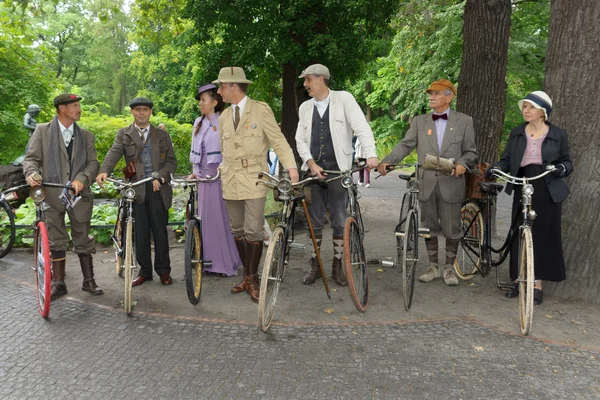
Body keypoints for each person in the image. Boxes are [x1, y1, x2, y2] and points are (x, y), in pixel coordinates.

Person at [377, 79, 477, 286]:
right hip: (427, 183)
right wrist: (388, 161)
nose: (431, 97)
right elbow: (406, 145)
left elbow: (470, 152)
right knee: (428, 226)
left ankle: (449, 268)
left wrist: (462, 163)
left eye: (436, 93)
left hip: (452, 181)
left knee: (452, 228)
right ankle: (433, 266)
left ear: (449, 96)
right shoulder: (419, 121)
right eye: (430, 94)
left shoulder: (465, 121)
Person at [213, 66, 299, 302]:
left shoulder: (260, 111)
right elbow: (225, 149)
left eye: (221, 86)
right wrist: (222, 164)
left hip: (254, 177)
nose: (219, 91)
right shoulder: (223, 118)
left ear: (233, 87)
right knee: (237, 229)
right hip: (230, 179)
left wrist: (291, 167)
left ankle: (252, 277)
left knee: (254, 229)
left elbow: (278, 141)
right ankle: (248, 275)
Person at [295, 63, 378, 286]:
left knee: (340, 221)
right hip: (314, 173)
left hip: (338, 171)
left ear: (321, 79)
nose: (305, 84)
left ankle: (337, 265)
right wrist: (310, 163)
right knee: (314, 222)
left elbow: (362, 128)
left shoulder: (344, 100)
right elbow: (300, 140)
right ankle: (316, 265)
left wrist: (371, 155)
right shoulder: (305, 108)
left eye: (308, 80)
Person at [494, 91, 572, 305]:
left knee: (543, 236)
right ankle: (519, 281)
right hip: (523, 184)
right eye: (524, 107)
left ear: (543, 112)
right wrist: (498, 169)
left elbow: (568, 162)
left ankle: (537, 285)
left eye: (531, 107)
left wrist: (560, 168)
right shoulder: (517, 132)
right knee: (520, 232)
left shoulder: (558, 134)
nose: (525, 110)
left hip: (547, 187)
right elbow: (507, 159)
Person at [23, 94, 103, 299]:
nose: (79, 109)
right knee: (56, 240)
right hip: (51, 195)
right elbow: (30, 159)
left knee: (83, 237)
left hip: (79, 195)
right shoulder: (42, 131)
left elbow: (93, 164)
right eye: (75, 106)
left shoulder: (86, 136)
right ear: (62, 108)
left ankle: (89, 281)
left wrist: (82, 179)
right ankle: (59, 283)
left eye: (78, 105)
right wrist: (31, 174)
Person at [96, 97, 177, 286]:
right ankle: (145, 271)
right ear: (132, 112)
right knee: (139, 233)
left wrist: (161, 176)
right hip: (136, 189)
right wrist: (104, 171)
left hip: (157, 187)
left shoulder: (162, 135)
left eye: (146, 110)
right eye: (138, 109)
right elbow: (114, 153)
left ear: (151, 112)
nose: (142, 113)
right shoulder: (124, 134)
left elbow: (171, 162)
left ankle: (164, 271)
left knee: (160, 232)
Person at [189, 83, 242, 276]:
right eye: (200, 101)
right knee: (205, 219)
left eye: (203, 100)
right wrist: (195, 172)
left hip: (220, 176)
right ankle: (207, 261)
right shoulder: (198, 122)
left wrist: (224, 165)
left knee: (220, 219)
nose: (201, 104)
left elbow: (230, 147)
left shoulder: (224, 120)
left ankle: (224, 262)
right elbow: (196, 153)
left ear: (214, 101)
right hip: (203, 178)